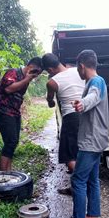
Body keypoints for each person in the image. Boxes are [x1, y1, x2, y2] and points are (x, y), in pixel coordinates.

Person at [53, 49, 109, 218]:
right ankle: (92, 215)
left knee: (77, 180)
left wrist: (81, 105)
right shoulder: (96, 81)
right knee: (92, 179)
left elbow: (92, 97)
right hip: (96, 139)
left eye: (78, 68)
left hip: (91, 141)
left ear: (82, 66)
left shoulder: (96, 82)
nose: (78, 71)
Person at [42, 53, 85, 193]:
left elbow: (50, 101)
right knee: (83, 151)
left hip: (71, 117)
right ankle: (78, 186)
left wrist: (51, 101)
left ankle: (81, 186)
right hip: (87, 113)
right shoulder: (77, 70)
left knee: (70, 156)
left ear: (50, 69)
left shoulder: (52, 82)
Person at [0, 57, 42, 171]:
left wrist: (27, 79)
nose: (36, 75)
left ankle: (7, 170)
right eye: (35, 72)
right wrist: (27, 79)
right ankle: (3, 173)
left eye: (38, 74)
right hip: (3, 112)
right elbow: (9, 89)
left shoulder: (25, 78)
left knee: (12, 143)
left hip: (14, 113)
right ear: (30, 67)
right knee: (11, 142)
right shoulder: (13, 72)